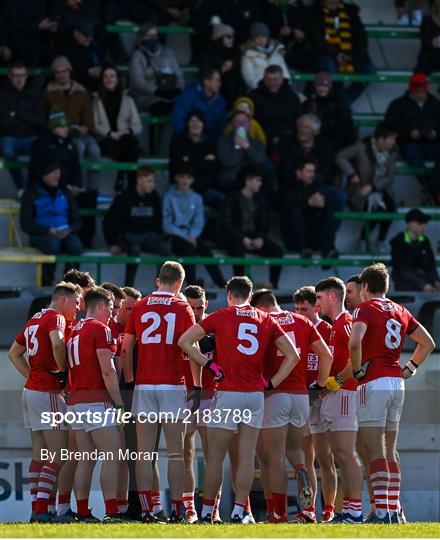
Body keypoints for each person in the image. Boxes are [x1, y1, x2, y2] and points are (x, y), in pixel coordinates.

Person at [178, 275, 298, 523]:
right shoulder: (264, 318)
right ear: (251, 296)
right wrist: (272, 382)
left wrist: (209, 365)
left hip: (229, 391)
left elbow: (185, 341)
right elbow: (293, 355)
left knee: (216, 456)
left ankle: (205, 512)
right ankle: (239, 511)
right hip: (254, 394)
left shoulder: (221, 315)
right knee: (245, 456)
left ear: (229, 294)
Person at [350, 263, 435, 523]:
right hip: (397, 382)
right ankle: (394, 509)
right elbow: (428, 343)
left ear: (365, 287)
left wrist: (357, 370)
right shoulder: (400, 309)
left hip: (373, 381)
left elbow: (355, 341)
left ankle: (382, 511)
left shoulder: (364, 308)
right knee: (390, 449)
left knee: (372, 447)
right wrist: (410, 368)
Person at [121, 261, 197, 523]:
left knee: (144, 453)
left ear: (157, 281)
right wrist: (196, 385)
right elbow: (190, 348)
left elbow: (126, 349)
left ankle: (146, 511)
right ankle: (178, 511)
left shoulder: (140, 306)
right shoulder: (182, 306)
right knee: (175, 453)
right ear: (179, 284)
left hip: (144, 385)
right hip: (172, 385)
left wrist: (130, 381)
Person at [251, 289, 332, 523]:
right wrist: (320, 385)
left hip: (273, 395)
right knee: (297, 451)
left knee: (272, 458)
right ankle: (302, 476)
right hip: (301, 396)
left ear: (261, 307)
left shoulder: (263, 321)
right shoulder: (301, 320)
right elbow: (325, 356)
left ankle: (278, 514)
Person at [8, 281, 81, 521]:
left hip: (30, 392)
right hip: (47, 392)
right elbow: (57, 342)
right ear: (64, 299)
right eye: (76, 302)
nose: (78, 308)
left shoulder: (34, 319)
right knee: (60, 454)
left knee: (40, 455)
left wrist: (32, 377)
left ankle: (36, 509)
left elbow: (13, 354)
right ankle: (41, 509)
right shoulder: (55, 318)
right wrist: (62, 372)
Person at [66, 287, 126, 522]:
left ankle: (82, 511)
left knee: (86, 458)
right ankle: (111, 511)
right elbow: (108, 371)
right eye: (111, 309)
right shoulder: (101, 329)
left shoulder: (74, 330)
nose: (112, 314)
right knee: (114, 455)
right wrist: (119, 404)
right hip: (95, 401)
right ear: (101, 306)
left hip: (76, 401)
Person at [314, 277, 364, 524]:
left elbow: (356, 359)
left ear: (333, 297)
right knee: (340, 454)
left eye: (320, 297)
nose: (317, 303)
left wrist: (338, 382)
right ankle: (348, 510)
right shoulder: (335, 325)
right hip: (337, 393)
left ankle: (354, 511)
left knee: (345, 453)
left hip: (345, 393)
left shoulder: (346, 322)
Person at [292, 286, 336, 523]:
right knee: (305, 459)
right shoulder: (295, 327)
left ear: (316, 308)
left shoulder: (327, 330)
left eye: (304, 309)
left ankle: (329, 509)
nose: (299, 313)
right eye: (297, 308)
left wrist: (322, 387)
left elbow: (334, 362)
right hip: (301, 398)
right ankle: (308, 510)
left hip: (322, 398)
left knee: (326, 458)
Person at [181, 285, 220, 523]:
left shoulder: (215, 327)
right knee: (186, 452)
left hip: (209, 395)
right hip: (184, 394)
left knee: (212, 454)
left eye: (199, 307)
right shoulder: (178, 326)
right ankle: (190, 509)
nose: (196, 312)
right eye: (191, 307)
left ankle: (211, 509)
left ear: (206, 304)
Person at [103, 167, 172, 287]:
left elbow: (158, 220)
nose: (152, 185)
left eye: (153, 181)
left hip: (147, 236)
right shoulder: (125, 197)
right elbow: (109, 221)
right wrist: (112, 242)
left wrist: (159, 235)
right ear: (139, 181)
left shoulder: (154, 196)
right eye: (149, 181)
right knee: (134, 250)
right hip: (128, 236)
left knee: (165, 247)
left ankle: (162, 288)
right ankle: (128, 289)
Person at [336, 123, 398, 254]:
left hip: (380, 190)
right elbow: (340, 156)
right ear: (381, 139)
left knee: (390, 207)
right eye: (391, 139)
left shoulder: (392, 153)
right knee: (375, 209)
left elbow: (390, 176)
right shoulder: (361, 148)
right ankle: (363, 240)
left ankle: (379, 239)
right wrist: (351, 173)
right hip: (359, 191)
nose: (393, 142)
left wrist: (373, 187)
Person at [221, 164, 284, 289]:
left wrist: (260, 237)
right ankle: (242, 287)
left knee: (277, 251)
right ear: (248, 181)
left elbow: (264, 223)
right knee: (237, 250)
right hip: (236, 237)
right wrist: (242, 238)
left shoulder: (260, 199)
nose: (260, 183)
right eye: (257, 180)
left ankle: (273, 285)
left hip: (254, 236)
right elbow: (226, 224)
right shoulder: (232, 198)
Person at [20, 162, 83, 286]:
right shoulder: (31, 193)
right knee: (53, 244)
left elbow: (77, 220)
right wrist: (48, 230)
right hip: (41, 234)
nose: (58, 176)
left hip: (65, 232)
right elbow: (25, 224)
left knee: (75, 245)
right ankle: (46, 283)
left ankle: (70, 285)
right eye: (54, 172)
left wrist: (69, 230)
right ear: (44, 175)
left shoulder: (65, 193)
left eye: (59, 172)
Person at [162, 165, 226, 288]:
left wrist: (192, 235)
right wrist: (186, 237)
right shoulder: (168, 197)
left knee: (206, 250)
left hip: (192, 235)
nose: (185, 180)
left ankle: (220, 282)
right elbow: (167, 223)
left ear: (193, 180)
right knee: (189, 250)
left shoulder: (197, 198)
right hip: (174, 234)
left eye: (188, 177)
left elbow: (199, 221)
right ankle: (192, 285)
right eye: (182, 177)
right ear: (176, 178)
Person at [44, 56, 101, 188]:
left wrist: (85, 128)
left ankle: (93, 190)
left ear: (69, 72)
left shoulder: (81, 91)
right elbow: (45, 117)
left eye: (64, 71)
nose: (61, 75)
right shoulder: (48, 92)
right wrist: (57, 129)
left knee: (95, 150)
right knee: (78, 147)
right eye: (58, 72)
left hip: (80, 130)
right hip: (60, 131)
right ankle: (76, 188)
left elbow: (88, 117)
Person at [384, 73, 440, 203]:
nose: (420, 96)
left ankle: (431, 188)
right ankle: (433, 190)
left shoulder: (436, 104)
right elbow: (389, 126)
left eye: (422, 93)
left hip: (433, 142)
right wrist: (408, 133)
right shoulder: (398, 104)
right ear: (410, 90)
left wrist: (436, 133)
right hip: (409, 143)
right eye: (417, 93)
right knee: (413, 157)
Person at [309, 0, 374, 105]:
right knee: (330, 67)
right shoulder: (314, 13)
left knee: (370, 71)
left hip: (350, 54)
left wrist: (351, 55)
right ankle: (344, 104)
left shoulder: (350, 12)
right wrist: (336, 54)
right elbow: (317, 42)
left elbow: (361, 37)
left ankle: (344, 102)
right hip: (326, 54)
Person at [279, 160, 344, 259]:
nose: (312, 174)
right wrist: (308, 202)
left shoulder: (316, 187)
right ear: (298, 172)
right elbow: (285, 203)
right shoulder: (288, 187)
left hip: (313, 235)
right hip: (294, 239)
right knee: (295, 212)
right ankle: (304, 250)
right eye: (309, 171)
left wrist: (322, 204)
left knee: (329, 212)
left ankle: (328, 251)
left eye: (313, 172)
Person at [92, 65, 142, 192]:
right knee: (131, 148)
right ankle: (131, 184)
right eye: (105, 76)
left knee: (129, 142)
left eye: (112, 76)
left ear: (117, 79)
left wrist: (127, 131)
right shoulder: (95, 100)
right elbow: (94, 124)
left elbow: (138, 125)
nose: (109, 79)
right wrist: (110, 133)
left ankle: (121, 176)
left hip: (125, 138)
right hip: (105, 139)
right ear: (102, 80)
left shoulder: (128, 100)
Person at [0, 62, 45, 195]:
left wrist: (18, 114)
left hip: (30, 136)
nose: (19, 79)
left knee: (44, 149)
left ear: (26, 76)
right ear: (10, 76)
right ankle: (21, 187)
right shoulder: (2, 94)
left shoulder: (34, 94)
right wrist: (27, 118)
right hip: (10, 136)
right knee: (7, 150)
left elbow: (40, 121)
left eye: (22, 75)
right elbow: (3, 122)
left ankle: (33, 186)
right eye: (16, 76)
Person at [169, 109, 224, 208]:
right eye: (192, 121)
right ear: (187, 124)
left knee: (225, 201)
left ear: (203, 124)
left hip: (205, 188)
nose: (195, 124)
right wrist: (203, 161)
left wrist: (189, 160)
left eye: (199, 121)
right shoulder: (178, 139)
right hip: (183, 187)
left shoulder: (210, 141)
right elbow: (177, 165)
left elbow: (214, 168)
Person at [130, 22, 183, 115]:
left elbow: (179, 75)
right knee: (163, 108)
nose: (153, 39)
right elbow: (137, 81)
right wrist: (157, 91)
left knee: (182, 106)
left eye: (155, 35)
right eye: (149, 36)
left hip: (170, 94)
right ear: (142, 38)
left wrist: (178, 89)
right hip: (147, 97)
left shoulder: (167, 52)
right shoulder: (137, 55)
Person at [248, 64, 300, 155]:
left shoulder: (291, 97)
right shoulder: (254, 96)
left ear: (282, 80)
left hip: (287, 141)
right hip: (261, 140)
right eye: (268, 80)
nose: (272, 83)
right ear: (264, 79)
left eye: (275, 80)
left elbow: (297, 119)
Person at [278, 113, 337, 188]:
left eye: (307, 128)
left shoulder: (325, 145)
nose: (302, 130)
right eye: (300, 126)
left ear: (316, 131)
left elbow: (328, 171)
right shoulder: (287, 142)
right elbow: (285, 168)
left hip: (320, 184)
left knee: (339, 195)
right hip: (293, 183)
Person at [216, 110, 269, 193]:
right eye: (237, 122)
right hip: (231, 180)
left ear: (249, 125)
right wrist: (239, 146)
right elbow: (227, 162)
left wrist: (247, 147)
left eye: (244, 121)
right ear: (232, 125)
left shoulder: (256, 142)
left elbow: (261, 160)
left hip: (252, 181)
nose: (241, 124)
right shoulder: (223, 141)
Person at [302, 71, 356, 152]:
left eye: (325, 85)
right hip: (316, 140)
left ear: (329, 87)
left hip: (334, 143)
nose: (322, 88)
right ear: (315, 86)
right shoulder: (309, 103)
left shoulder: (338, 102)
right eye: (319, 85)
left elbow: (347, 122)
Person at [390, 209, 440, 292]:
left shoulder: (425, 241)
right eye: (420, 223)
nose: (423, 225)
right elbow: (402, 270)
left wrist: (436, 281)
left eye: (423, 223)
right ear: (410, 224)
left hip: (425, 288)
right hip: (405, 289)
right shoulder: (399, 242)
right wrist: (423, 285)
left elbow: (431, 265)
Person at [261, 0, 316, 72]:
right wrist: (279, 34)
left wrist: (301, 35)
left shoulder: (300, 6)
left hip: (296, 49)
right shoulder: (268, 6)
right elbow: (265, 30)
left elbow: (307, 30)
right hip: (273, 47)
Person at [171, 68, 227, 137]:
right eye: (217, 81)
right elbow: (177, 119)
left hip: (209, 141)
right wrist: (187, 137)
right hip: (189, 139)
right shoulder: (189, 95)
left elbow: (222, 125)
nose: (220, 84)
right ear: (206, 81)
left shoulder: (220, 100)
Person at [199, 23, 243, 107]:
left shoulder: (234, 53)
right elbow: (204, 77)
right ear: (219, 37)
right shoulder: (207, 55)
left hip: (233, 99)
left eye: (232, 37)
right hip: (213, 99)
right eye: (228, 37)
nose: (232, 40)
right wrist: (221, 70)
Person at [240, 22, 290, 91]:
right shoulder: (247, 55)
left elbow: (285, 73)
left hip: (279, 90)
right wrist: (263, 91)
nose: (261, 40)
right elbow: (249, 78)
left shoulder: (277, 51)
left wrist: (285, 87)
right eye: (257, 38)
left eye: (263, 36)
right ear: (253, 39)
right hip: (259, 92)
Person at [62, 19, 103, 93]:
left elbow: (105, 63)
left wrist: (102, 69)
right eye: (85, 34)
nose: (88, 38)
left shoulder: (95, 47)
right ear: (76, 33)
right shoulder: (68, 49)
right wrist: (87, 72)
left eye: (90, 35)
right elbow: (66, 73)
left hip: (98, 88)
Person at [416, 0, 440, 73]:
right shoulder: (427, 20)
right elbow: (426, 42)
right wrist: (433, 42)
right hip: (429, 57)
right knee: (422, 67)